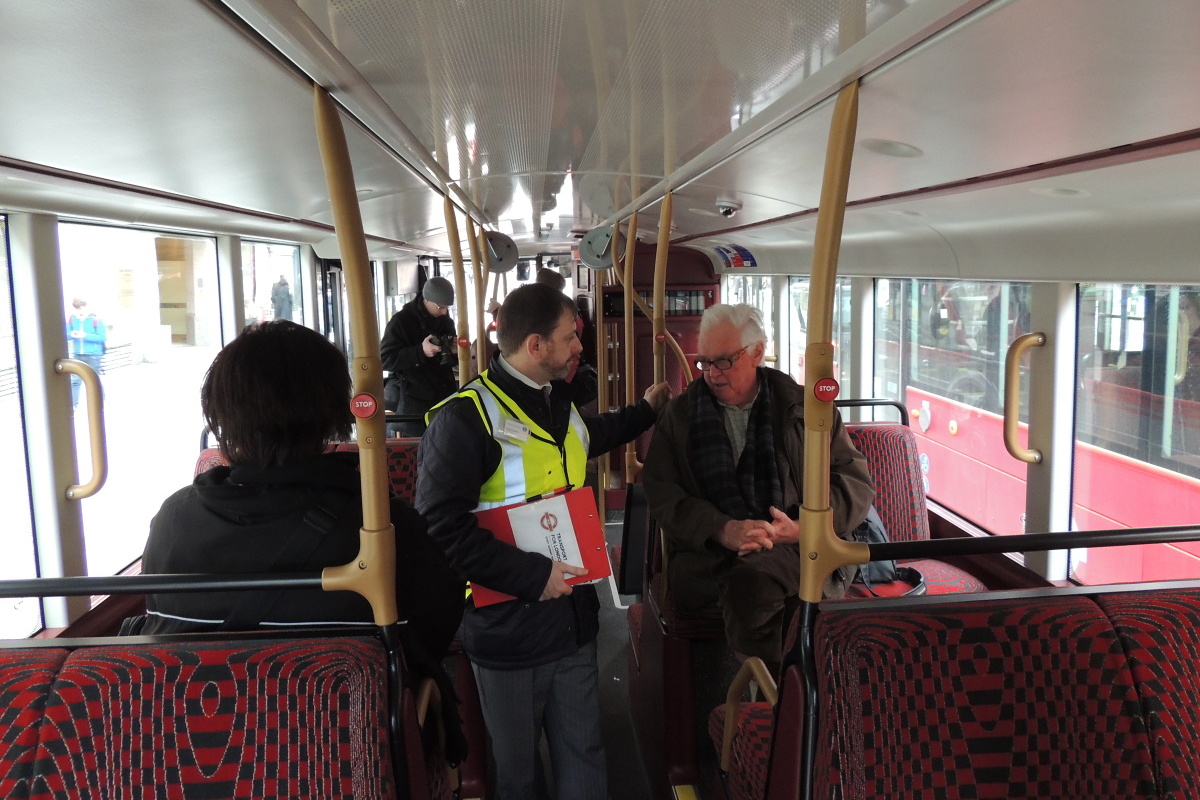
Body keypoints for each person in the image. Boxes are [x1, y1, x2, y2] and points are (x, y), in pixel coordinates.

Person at [416, 282, 671, 800]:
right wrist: (533, 576)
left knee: (585, 753)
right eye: (570, 336)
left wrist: (645, 412)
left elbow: (587, 437)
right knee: (519, 772)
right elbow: (439, 529)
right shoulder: (465, 420)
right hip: (508, 628)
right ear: (536, 346)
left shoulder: (555, 401)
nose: (579, 346)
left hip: (573, 616)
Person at [139, 321, 464, 694]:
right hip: (347, 721)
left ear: (222, 412)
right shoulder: (378, 524)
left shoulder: (174, 520)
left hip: (194, 722)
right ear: (332, 410)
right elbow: (435, 626)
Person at [642, 303, 873, 676]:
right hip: (710, 555)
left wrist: (803, 527)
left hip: (803, 547)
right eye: (705, 362)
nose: (712, 374)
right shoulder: (680, 416)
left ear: (757, 352)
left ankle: (767, 692)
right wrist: (722, 529)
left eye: (724, 361)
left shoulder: (807, 410)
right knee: (755, 582)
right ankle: (787, 694)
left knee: (758, 581)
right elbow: (662, 493)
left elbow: (854, 483)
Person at [380, 276, 458, 436]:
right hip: (416, 404)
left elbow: (448, 362)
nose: (444, 312)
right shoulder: (401, 322)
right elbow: (385, 359)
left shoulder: (446, 322)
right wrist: (420, 352)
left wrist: (455, 353)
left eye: (447, 307)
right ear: (427, 299)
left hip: (445, 398)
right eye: (441, 307)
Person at [65, 297, 107, 410]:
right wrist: (72, 334)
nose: (80, 311)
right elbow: (66, 333)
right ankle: (73, 405)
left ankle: (100, 402)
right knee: (75, 380)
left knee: (94, 379)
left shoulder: (96, 319)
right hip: (78, 353)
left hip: (93, 355)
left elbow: (102, 337)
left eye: (81, 308)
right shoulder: (72, 319)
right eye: (77, 308)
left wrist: (85, 336)